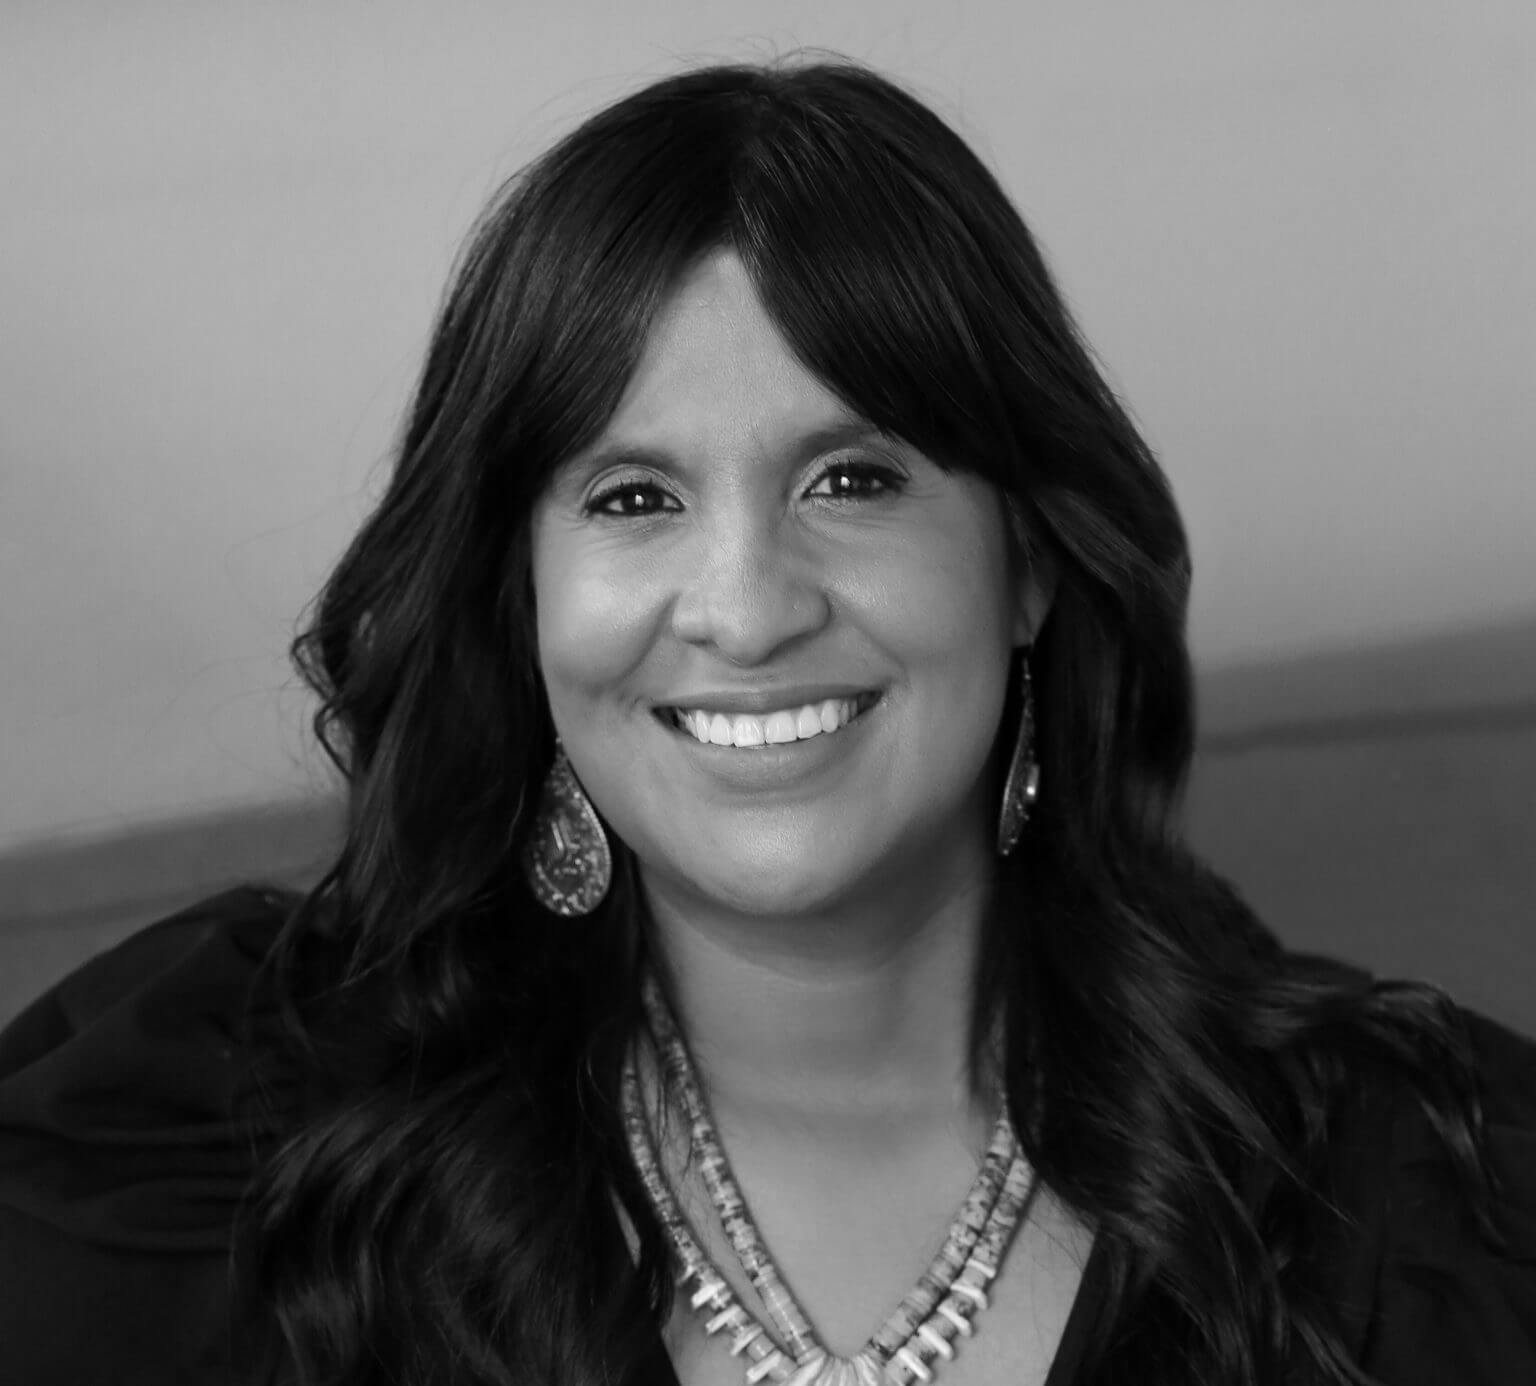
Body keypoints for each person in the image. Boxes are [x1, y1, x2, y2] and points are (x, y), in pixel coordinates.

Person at [1, 54, 1533, 1386]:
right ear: (522, 603)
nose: (745, 605)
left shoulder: (1406, 1195)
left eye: (853, 479)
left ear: (1030, 569)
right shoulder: (225, 1140)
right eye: (634, 497)